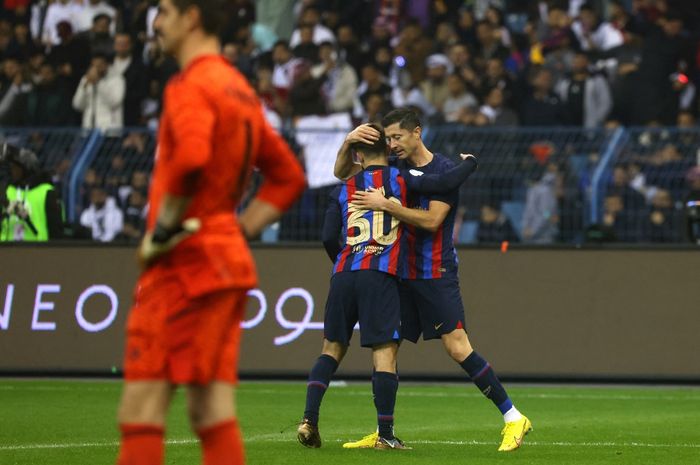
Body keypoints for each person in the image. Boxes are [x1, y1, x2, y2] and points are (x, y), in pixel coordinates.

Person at [114, 0, 306, 463]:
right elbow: (288, 178)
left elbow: (191, 160)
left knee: (141, 407)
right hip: (225, 262)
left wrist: (163, 230)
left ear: (191, 16)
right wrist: (235, 230)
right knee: (210, 408)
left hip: (184, 265)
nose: (156, 23)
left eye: (162, 11)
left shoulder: (191, 84)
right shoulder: (239, 89)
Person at [336, 109, 531, 452]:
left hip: (434, 271)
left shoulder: (443, 171)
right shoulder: (393, 169)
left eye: (397, 137)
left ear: (416, 133)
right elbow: (343, 174)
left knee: (457, 347)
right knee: (386, 348)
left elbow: (432, 221)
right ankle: (385, 434)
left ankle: (514, 417)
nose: (392, 144)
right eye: (389, 138)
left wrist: (387, 205)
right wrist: (348, 141)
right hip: (398, 272)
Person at [298, 123, 478, 451]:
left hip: (343, 272)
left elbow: (327, 236)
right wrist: (468, 163)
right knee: (384, 352)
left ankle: (309, 419)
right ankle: (385, 434)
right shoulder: (399, 179)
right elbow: (443, 182)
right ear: (387, 150)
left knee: (331, 349)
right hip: (379, 275)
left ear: (357, 154)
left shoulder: (342, 189)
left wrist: (343, 263)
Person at [0, 144, 63, 241]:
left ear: (26, 168)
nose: (12, 170)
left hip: (37, 250)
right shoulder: (6, 191)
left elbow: (56, 231)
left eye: (16, 167)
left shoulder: (47, 192)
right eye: (11, 166)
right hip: (6, 251)